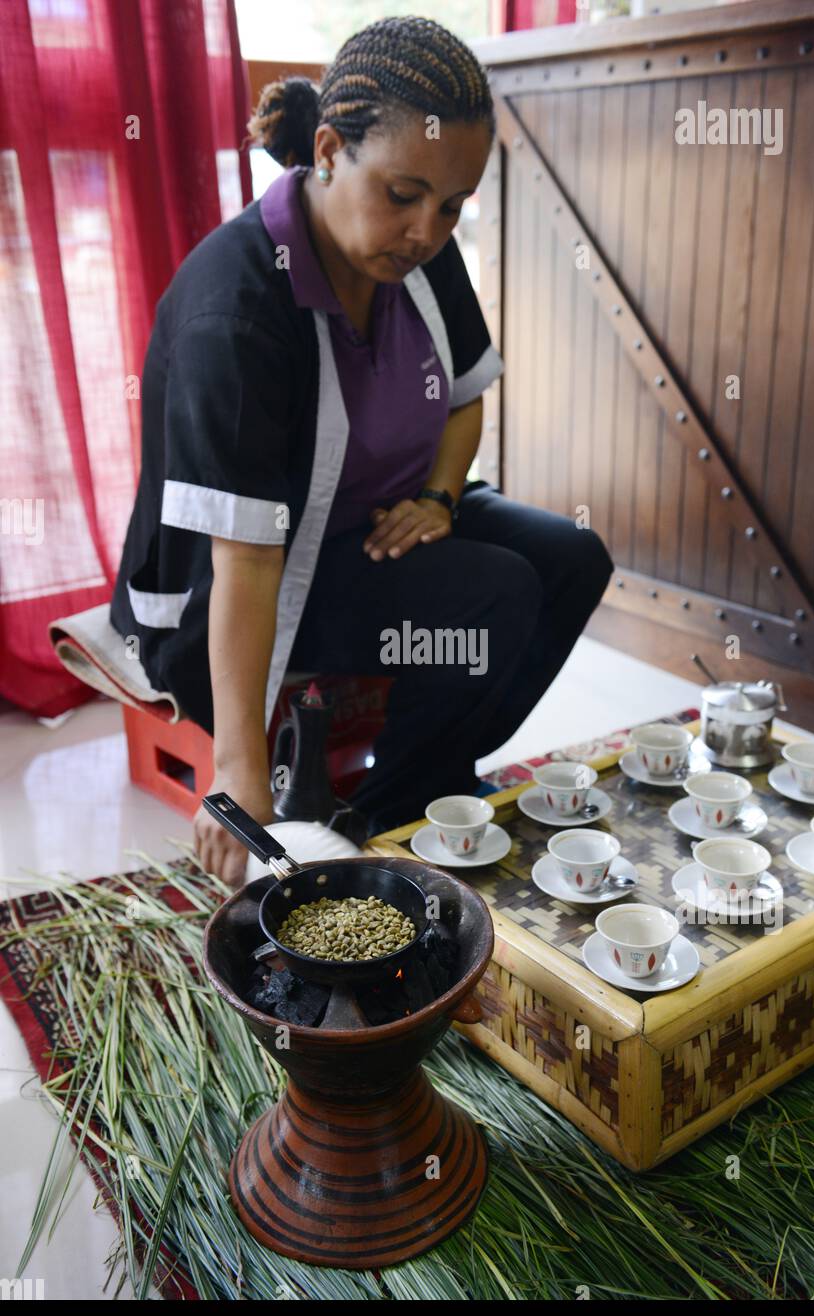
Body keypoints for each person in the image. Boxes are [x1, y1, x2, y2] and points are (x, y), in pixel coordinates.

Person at [110, 16, 614, 886]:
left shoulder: (413, 247)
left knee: (571, 558)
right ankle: (400, 813)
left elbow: (464, 400)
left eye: (452, 205)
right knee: (490, 597)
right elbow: (244, 561)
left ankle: (420, 773)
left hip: (367, 517)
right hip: (223, 589)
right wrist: (237, 778)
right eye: (405, 194)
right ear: (331, 151)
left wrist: (442, 500)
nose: (426, 227)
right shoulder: (235, 308)